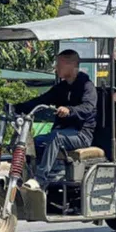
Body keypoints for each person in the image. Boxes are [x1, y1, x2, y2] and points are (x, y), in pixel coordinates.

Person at [14, 49, 97, 190]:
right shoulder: (61, 87)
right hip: (63, 133)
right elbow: (41, 100)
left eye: (59, 64)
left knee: (55, 137)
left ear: (71, 65)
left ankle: (40, 180)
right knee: (35, 143)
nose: (56, 68)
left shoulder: (87, 86)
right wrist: (16, 107)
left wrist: (70, 110)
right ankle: (31, 175)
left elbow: (88, 107)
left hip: (81, 134)